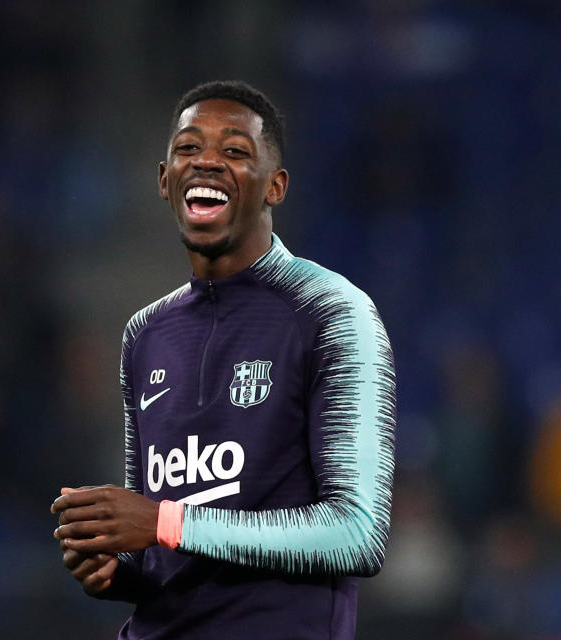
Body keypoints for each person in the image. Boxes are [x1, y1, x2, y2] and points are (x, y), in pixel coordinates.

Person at [51, 80, 396, 639]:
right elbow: (161, 549)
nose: (207, 161)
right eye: (188, 148)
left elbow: (358, 532)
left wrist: (162, 522)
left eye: (235, 151)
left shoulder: (332, 311)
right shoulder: (144, 334)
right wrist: (116, 568)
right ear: (165, 181)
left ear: (274, 187)